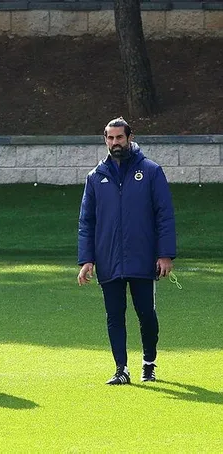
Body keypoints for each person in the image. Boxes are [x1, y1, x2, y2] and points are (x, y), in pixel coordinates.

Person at [77, 117, 176, 385]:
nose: (115, 143)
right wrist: (87, 260)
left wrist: (165, 254)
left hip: (143, 258)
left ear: (130, 138)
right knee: (114, 316)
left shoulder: (151, 171)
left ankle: (149, 363)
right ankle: (121, 369)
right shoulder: (95, 177)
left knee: (146, 315)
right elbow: (87, 222)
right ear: (105, 140)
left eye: (119, 137)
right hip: (109, 259)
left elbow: (164, 215)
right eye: (110, 138)